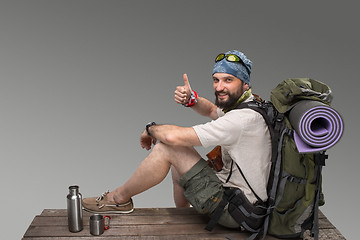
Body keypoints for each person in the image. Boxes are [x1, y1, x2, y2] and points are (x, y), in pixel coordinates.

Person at [83, 50, 272, 228]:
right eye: (216, 80)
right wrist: (191, 99)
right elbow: (213, 110)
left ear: (245, 83)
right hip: (245, 204)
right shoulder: (251, 104)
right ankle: (182, 216)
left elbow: (172, 137)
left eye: (228, 80)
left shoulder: (241, 120)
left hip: (237, 211)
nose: (219, 87)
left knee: (169, 148)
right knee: (178, 162)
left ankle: (117, 200)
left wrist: (149, 129)